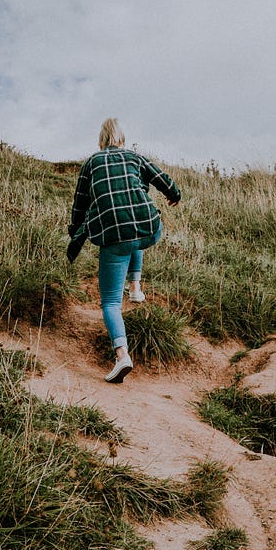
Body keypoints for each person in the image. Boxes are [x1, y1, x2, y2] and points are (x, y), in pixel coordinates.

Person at [68, 118, 182, 383]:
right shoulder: (134, 156)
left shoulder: (91, 163)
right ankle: (135, 286)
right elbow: (162, 179)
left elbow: (80, 203)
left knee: (109, 302)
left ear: (100, 141)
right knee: (135, 232)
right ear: (122, 139)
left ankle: (122, 356)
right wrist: (174, 194)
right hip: (148, 229)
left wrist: (75, 231)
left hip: (113, 237)